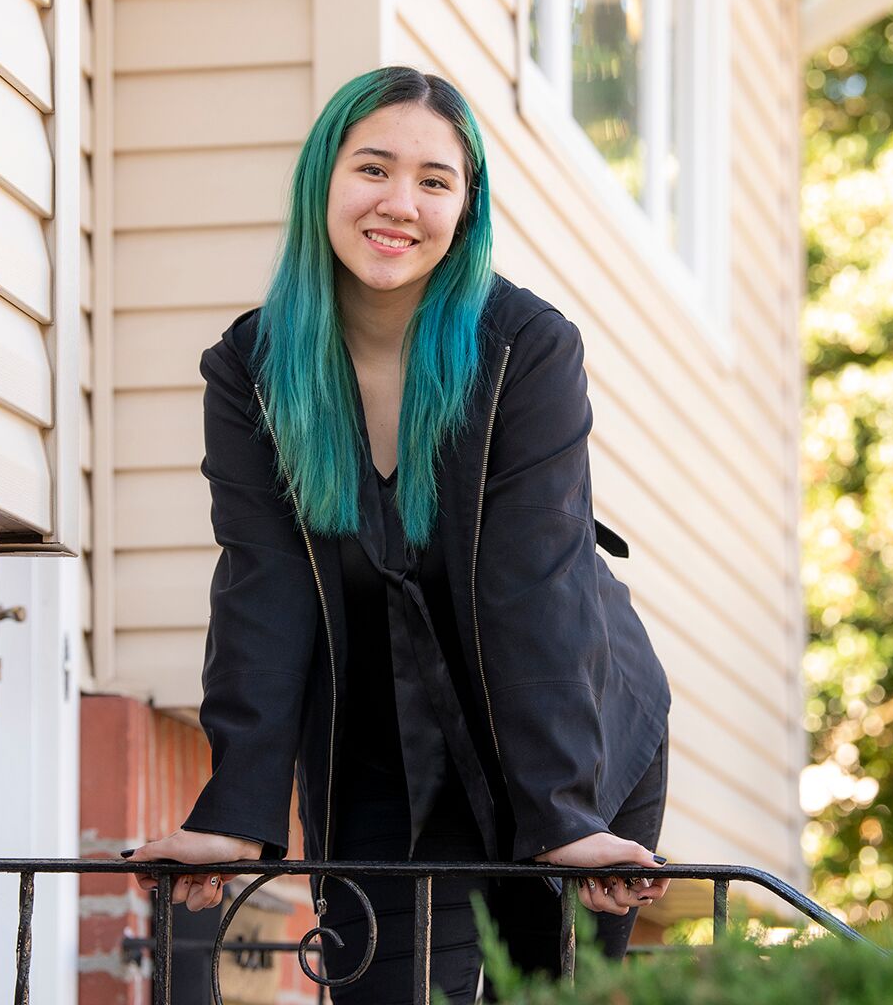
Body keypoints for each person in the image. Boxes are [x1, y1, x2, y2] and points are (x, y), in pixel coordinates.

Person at [125, 65, 672, 1003]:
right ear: (323, 183)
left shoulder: (525, 349)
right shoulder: (252, 368)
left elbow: (531, 582)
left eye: (435, 180)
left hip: (564, 730)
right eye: (372, 168)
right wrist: (238, 815)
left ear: (467, 205)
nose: (400, 204)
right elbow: (265, 583)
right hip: (379, 751)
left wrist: (566, 819)